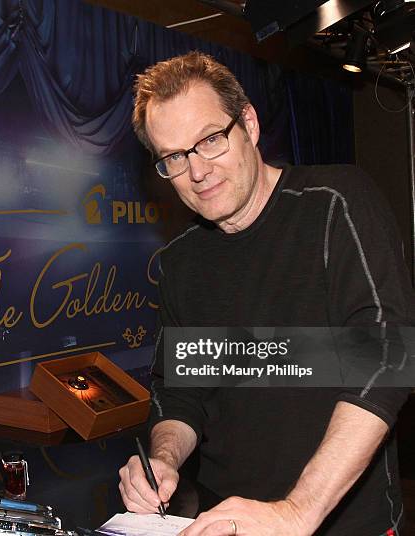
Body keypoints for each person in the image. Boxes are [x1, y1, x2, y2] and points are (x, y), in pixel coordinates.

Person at [118, 51, 414, 535]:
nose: (197, 171)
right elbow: (181, 394)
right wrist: (162, 460)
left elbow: (386, 358)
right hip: (224, 520)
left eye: (210, 140)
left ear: (249, 124)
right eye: (174, 156)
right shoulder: (181, 263)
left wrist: (296, 512)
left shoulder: (336, 204)